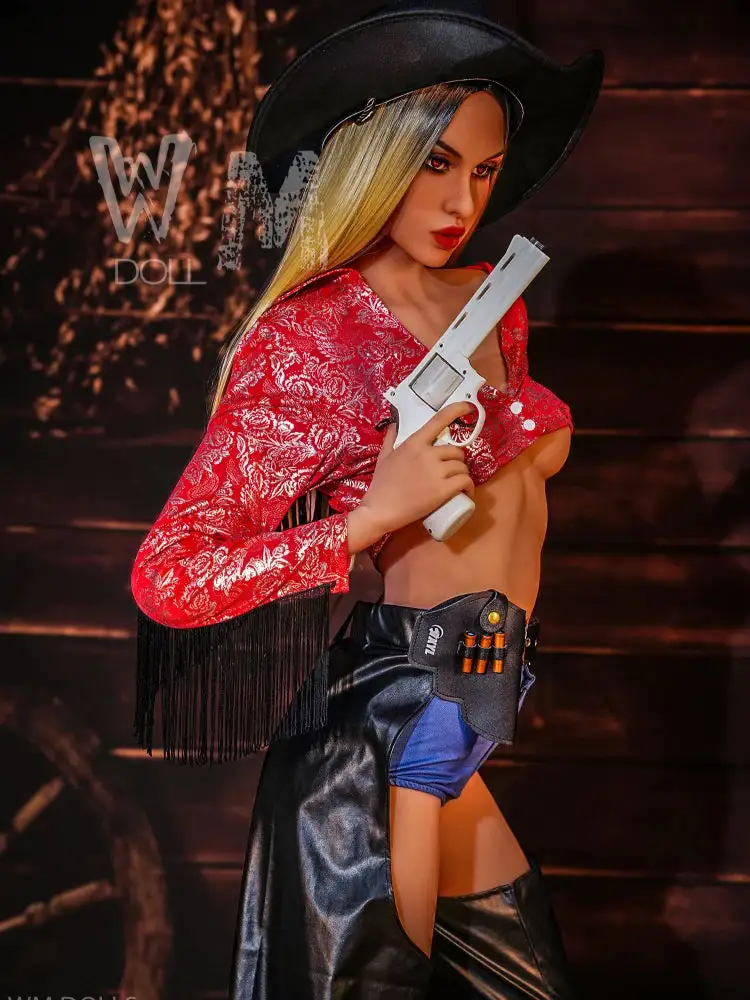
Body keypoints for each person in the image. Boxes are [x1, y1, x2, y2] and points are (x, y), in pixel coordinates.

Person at [130, 2, 604, 996]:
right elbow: (170, 575)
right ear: (376, 162)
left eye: (485, 170)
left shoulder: (497, 302)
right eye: (435, 163)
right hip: (388, 731)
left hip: (469, 706)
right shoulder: (308, 341)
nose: (462, 199)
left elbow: (502, 500)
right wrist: (365, 522)